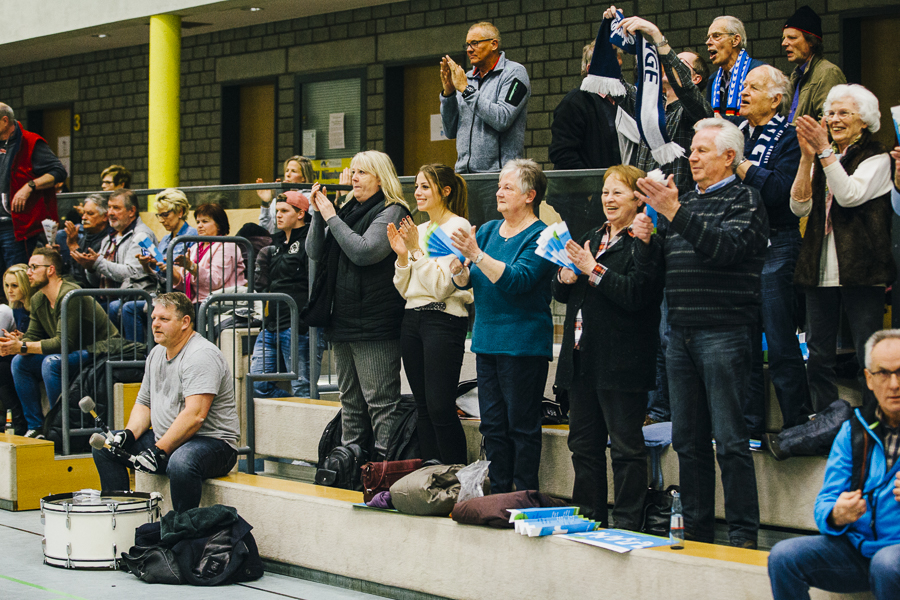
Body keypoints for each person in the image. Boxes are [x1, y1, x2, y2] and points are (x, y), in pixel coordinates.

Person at [636, 118, 769, 549]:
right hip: (681, 334)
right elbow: (667, 270)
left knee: (730, 441)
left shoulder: (746, 200)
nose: (691, 157)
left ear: (729, 157)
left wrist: (675, 213)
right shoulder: (686, 203)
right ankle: (696, 531)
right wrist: (646, 241)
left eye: (701, 151)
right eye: (691, 151)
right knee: (687, 441)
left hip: (725, 334)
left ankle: (744, 536)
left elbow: (725, 249)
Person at [553, 165, 664, 529]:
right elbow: (562, 292)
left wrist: (591, 269)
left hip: (622, 363)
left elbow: (636, 295)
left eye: (617, 192)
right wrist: (565, 275)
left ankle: (630, 522)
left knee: (626, 450)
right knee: (583, 446)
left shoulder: (645, 243)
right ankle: (589, 518)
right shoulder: (590, 235)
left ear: (638, 198)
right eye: (604, 192)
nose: (608, 199)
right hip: (582, 359)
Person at [768, 329, 900, 600]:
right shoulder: (853, 431)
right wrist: (837, 514)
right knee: (783, 557)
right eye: (883, 373)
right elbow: (826, 500)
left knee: (887, 563)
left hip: (892, 559)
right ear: (869, 380)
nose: (894, 383)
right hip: (859, 551)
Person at [450, 158, 555, 493]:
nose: (499, 192)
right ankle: (497, 495)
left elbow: (519, 280)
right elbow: (471, 281)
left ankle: (523, 496)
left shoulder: (542, 235)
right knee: (493, 425)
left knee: (521, 426)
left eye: (507, 187)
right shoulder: (489, 230)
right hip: (487, 340)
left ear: (530, 195)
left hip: (523, 343)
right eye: (499, 186)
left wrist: (477, 255)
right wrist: (459, 269)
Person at [791, 84, 895, 413]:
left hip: (863, 269)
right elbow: (798, 207)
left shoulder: (877, 157)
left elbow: (849, 195)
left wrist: (823, 152)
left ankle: (872, 424)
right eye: (830, 113)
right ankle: (824, 422)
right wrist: (808, 157)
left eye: (844, 113)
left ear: (864, 120)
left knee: (868, 354)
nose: (835, 120)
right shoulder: (823, 155)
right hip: (819, 266)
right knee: (819, 355)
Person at [92, 292, 239, 513]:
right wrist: (129, 434)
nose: (155, 324)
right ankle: (121, 518)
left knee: (180, 462)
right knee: (106, 446)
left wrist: (159, 450)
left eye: (164, 319)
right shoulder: (156, 353)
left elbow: (196, 415)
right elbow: (144, 402)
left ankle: (180, 533)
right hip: (169, 440)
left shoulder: (201, 355)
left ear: (185, 322)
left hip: (214, 444)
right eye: (153, 318)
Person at [305, 150, 410, 458]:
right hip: (343, 318)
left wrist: (331, 216)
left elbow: (364, 251)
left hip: (375, 321)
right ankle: (349, 463)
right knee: (350, 401)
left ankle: (384, 468)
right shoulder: (350, 209)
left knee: (380, 402)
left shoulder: (393, 210)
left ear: (381, 177)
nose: (354, 177)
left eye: (362, 173)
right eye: (353, 172)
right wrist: (316, 213)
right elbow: (314, 251)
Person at [734, 65, 811, 435]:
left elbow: (781, 191)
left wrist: (742, 167)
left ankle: (797, 423)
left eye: (753, 87)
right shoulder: (735, 136)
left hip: (778, 241)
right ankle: (750, 427)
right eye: (743, 86)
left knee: (780, 342)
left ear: (776, 98)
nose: (744, 92)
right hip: (741, 247)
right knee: (745, 345)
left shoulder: (790, 136)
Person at [387, 164, 473, 465]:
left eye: (425, 186)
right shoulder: (420, 230)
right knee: (422, 406)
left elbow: (438, 287)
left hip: (443, 319)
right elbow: (404, 287)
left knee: (439, 406)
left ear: (444, 191)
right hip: (412, 319)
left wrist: (415, 252)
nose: (418, 192)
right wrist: (401, 255)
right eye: (416, 186)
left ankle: (455, 476)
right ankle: (431, 477)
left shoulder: (458, 227)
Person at [0, 248, 120, 438]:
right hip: (73, 352)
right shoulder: (39, 297)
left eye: (33, 267)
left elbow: (64, 343)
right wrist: (16, 343)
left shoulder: (70, 294)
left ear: (50, 270)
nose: (28, 272)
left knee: (52, 362)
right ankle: (36, 427)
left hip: (101, 350)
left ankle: (62, 427)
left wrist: (22, 346)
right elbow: (32, 336)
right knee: (19, 363)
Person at [440, 22, 530, 225]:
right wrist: (448, 93)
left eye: (475, 43)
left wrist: (466, 90)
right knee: (467, 243)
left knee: (494, 242)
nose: (469, 49)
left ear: (493, 44)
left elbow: (502, 118)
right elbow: (449, 130)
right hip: (464, 179)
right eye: (467, 45)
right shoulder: (466, 80)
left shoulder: (515, 74)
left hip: (497, 180)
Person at [250, 190, 324, 398]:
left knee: (303, 388)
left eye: (284, 210)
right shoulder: (275, 245)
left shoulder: (312, 240)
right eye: (276, 211)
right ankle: (291, 413)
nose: (278, 215)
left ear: (300, 213)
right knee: (257, 383)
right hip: (272, 324)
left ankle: (308, 427)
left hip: (299, 326)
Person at [547, 40, 621, 241]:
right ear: (590, 68)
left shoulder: (620, 102)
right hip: (582, 200)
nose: (619, 64)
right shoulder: (575, 102)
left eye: (619, 59)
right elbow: (562, 153)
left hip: (609, 194)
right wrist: (592, 190)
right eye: (611, 60)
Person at [0, 103, 67, 274]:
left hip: (16, 227)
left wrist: (29, 186)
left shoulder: (30, 142)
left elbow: (59, 172)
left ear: (5, 121)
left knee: (18, 276)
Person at [125, 188, 197, 343]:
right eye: (159, 215)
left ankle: (142, 353)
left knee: (130, 309)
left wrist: (173, 269)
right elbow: (158, 273)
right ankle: (138, 353)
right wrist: (147, 266)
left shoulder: (192, 236)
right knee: (126, 307)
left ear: (180, 211)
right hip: (162, 290)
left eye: (165, 214)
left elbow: (191, 270)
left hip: (181, 294)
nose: (162, 220)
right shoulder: (165, 239)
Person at [75, 189, 158, 324]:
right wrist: (90, 268)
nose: (110, 212)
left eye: (116, 208)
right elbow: (96, 282)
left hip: (133, 298)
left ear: (131, 211)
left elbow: (134, 273)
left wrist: (98, 263)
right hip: (108, 299)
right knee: (77, 307)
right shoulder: (109, 238)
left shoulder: (144, 236)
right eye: (109, 207)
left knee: (83, 314)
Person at [170, 203, 246, 306]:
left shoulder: (227, 246)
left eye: (205, 221)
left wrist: (191, 266)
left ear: (219, 225)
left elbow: (215, 281)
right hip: (198, 302)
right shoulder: (195, 247)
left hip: (220, 303)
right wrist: (169, 270)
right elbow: (185, 283)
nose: (199, 225)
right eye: (198, 222)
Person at [782, 5, 847, 123]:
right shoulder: (796, 75)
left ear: (811, 41)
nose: (784, 43)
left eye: (792, 37)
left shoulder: (828, 73)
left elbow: (829, 123)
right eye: (784, 38)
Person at [704, 17, 765, 117]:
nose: (708, 42)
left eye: (716, 36)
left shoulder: (759, 71)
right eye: (708, 37)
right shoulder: (713, 79)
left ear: (735, 40)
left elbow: (761, 118)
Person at [0, 264, 32, 435]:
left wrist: (22, 339)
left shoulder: (34, 304)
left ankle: (19, 422)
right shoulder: (16, 308)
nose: (10, 290)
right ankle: (13, 420)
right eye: (7, 286)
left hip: (37, 352)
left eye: (14, 285)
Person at [256, 155, 315, 234]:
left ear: (303, 177)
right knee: (249, 228)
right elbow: (265, 229)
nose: (288, 175)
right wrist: (265, 203)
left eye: (293, 171)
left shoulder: (310, 197)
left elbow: (311, 227)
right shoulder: (279, 198)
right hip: (277, 241)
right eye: (287, 170)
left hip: (299, 240)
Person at [64, 194, 112, 288]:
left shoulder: (108, 241)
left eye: (90, 214)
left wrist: (74, 247)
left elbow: (90, 278)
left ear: (105, 216)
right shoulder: (85, 238)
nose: (84, 218)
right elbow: (71, 270)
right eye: (83, 213)